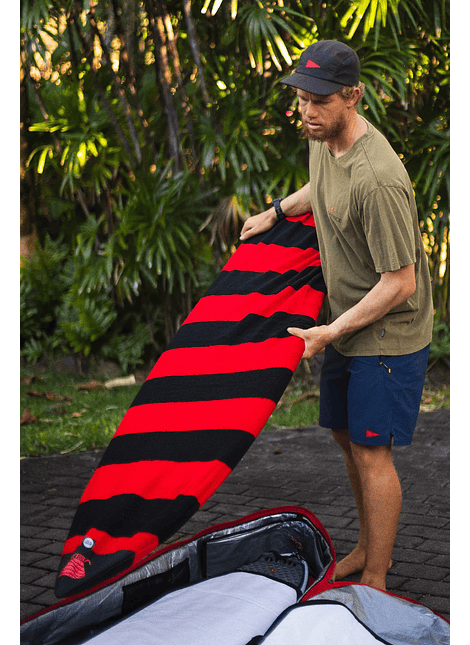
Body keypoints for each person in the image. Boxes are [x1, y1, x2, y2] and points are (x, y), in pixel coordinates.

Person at [240, 40, 433, 591]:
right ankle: (368, 547)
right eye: (302, 99)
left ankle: (375, 579)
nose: (307, 111)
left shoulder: (379, 178)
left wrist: (329, 331)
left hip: (388, 332)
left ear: (353, 96)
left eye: (320, 101)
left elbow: (401, 282)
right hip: (346, 322)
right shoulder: (324, 138)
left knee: (372, 452)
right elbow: (322, 186)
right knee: (347, 437)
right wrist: (275, 211)